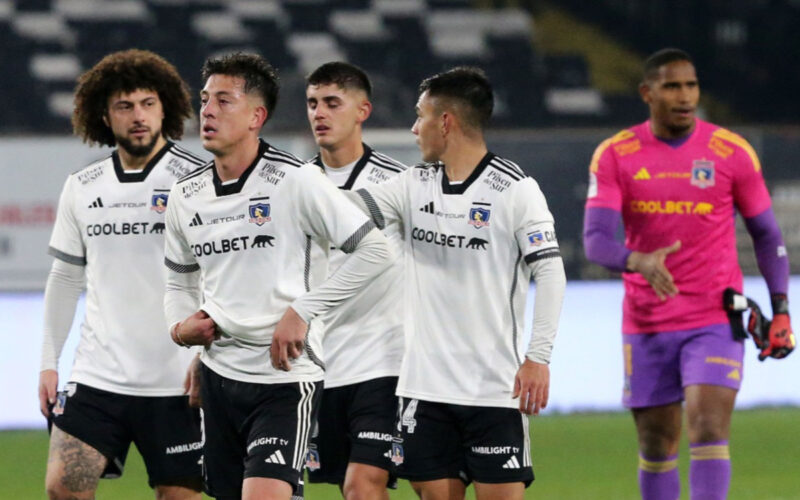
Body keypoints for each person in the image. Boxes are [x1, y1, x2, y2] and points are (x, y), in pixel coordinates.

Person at [162, 53, 392, 500]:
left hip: (284, 377)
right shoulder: (184, 195)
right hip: (218, 377)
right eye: (205, 99)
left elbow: (375, 250)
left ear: (256, 116)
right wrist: (178, 328)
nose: (207, 111)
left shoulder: (295, 180)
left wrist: (303, 311)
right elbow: (178, 281)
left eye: (224, 101)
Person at [583, 48, 795, 500]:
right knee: (657, 442)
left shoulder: (732, 152)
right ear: (647, 92)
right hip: (647, 320)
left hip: (715, 317)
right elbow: (595, 240)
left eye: (691, 85)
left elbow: (767, 235)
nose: (685, 96)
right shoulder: (616, 154)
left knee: (708, 426)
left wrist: (781, 310)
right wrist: (638, 260)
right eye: (672, 86)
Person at [350, 67, 567, 500]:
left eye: (420, 116)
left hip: (493, 388)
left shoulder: (515, 190)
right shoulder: (412, 185)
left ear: (445, 121)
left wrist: (537, 357)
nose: (414, 128)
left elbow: (551, 272)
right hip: (424, 389)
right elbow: (346, 209)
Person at [38, 49, 205, 500]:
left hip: (178, 380)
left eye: (148, 103)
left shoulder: (197, 182)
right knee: (62, 488)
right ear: (104, 117)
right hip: (98, 377)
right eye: (124, 106)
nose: (138, 116)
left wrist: (210, 358)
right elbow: (65, 278)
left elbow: (223, 274)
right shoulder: (83, 185)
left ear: (165, 108)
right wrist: (50, 362)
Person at [303, 62, 406, 499]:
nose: (319, 113)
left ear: (362, 110)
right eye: (311, 103)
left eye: (331, 102)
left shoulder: (400, 182)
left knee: (362, 487)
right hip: (316, 367)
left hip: (383, 364)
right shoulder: (293, 184)